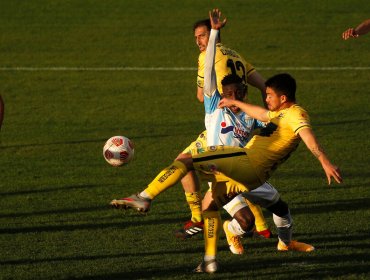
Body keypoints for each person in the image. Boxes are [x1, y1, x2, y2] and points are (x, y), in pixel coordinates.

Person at [113, 9, 343, 273]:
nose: (229, 96)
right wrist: (213, 36)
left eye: (235, 93)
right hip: (226, 169)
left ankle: (146, 197)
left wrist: (273, 112)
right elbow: (211, 68)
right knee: (213, 200)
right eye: (227, 93)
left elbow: (275, 121)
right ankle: (209, 256)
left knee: (193, 164)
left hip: (244, 168)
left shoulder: (261, 115)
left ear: (244, 92)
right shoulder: (216, 103)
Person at [111, 15, 272, 241]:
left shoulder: (207, 56)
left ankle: (199, 225)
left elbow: (201, 94)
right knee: (189, 163)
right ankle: (241, 225)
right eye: (196, 38)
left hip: (220, 113)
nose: (198, 41)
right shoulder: (235, 55)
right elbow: (264, 86)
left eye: (203, 35)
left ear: (213, 34)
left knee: (211, 177)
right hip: (237, 118)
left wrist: (215, 94)